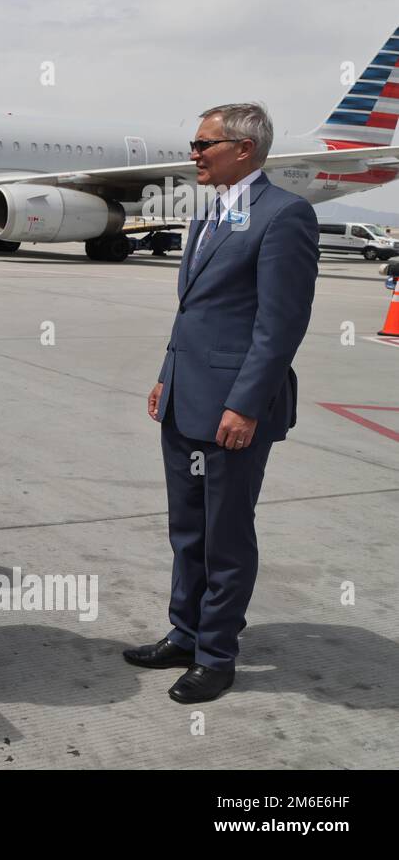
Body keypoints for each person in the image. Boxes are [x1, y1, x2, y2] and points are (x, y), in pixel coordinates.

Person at [132, 103, 318, 703]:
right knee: (187, 529)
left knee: (225, 535)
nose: (193, 154)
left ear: (242, 149)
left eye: (203, 143)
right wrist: (168, 372)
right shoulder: (212, 213)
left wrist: (245, 405)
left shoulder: (284, 215)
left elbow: (280, 324)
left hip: (233, 410)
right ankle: (185, 632)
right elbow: (193, 311)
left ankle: (216, 655)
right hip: (186, 398)